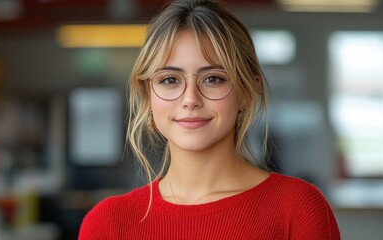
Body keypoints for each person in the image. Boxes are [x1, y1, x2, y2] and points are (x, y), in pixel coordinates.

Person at [78, 0, 341, 239]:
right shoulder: (107, 225)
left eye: (213, 79)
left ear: (247, 92)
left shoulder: (298, 209)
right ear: (147, 95)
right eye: (170, 80)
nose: (190, 99)